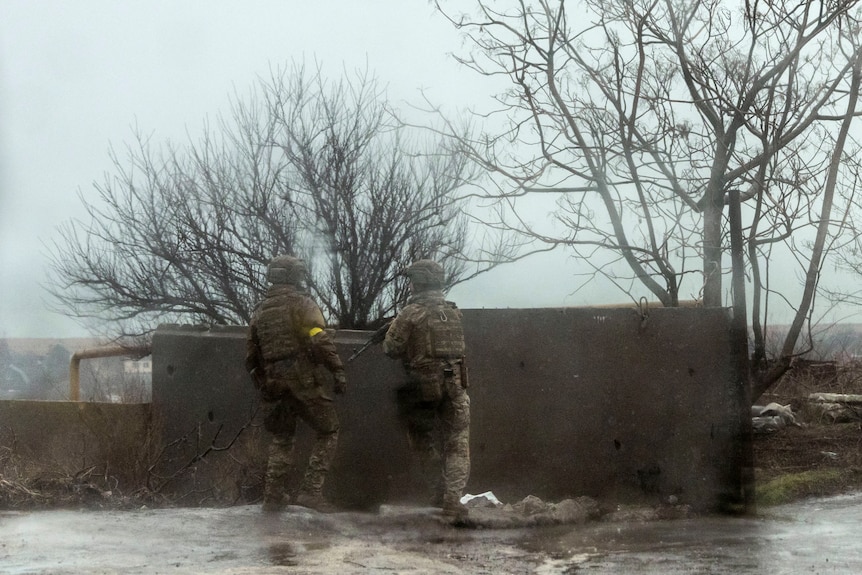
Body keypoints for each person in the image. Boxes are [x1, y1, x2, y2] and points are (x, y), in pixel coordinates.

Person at [245, 255, 347, 513]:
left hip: (273, 382)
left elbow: (251, 356)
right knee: (328, 429)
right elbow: (318, 339)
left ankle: (273, 495)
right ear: (293, 276)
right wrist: (337, 370)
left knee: (282, 437)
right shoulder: (302, 304)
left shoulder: (260, 311)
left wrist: (265, 382)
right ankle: (311, 492)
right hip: (303, 380)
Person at [382, 259, 470, 518]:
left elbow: (391, 349)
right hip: (456, 385)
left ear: (417, 282)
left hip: (423, 387)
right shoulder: (454, 312)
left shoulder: (411, 313)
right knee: (458, 443)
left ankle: (438, 490)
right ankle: (452, 499)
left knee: (422, 439)